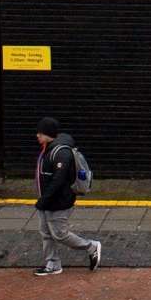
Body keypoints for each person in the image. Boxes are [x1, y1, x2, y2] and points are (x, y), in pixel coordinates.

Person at [33, 116, 100, 276]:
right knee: (46, 233)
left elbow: (58, 180)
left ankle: (91, 247)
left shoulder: (61, 153)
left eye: (40, 133)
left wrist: (44, 199)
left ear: (48, 134)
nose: (37, 135)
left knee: (60, 234)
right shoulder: (48, 148)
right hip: (47, 200)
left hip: (58, 202)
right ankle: (53, 264)